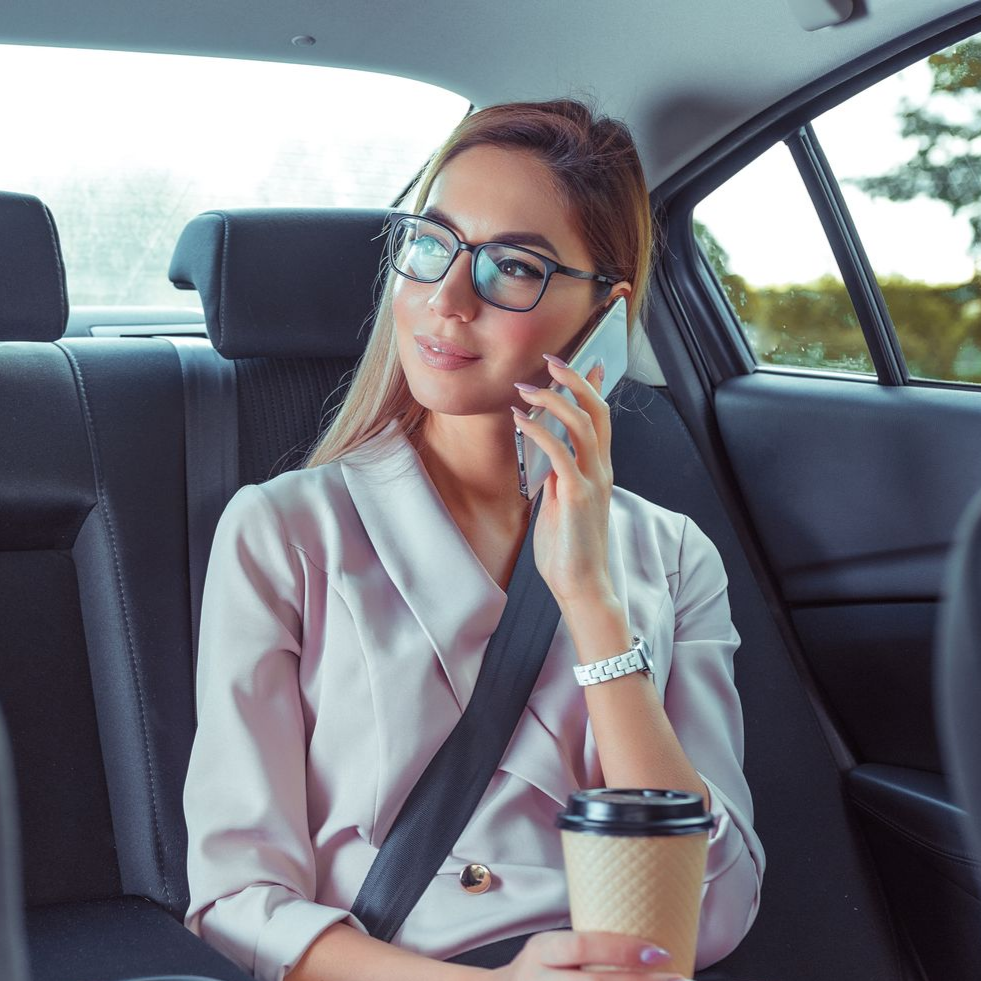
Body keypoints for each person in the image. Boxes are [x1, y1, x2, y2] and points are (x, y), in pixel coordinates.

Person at [183, 99, 765, 981]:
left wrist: (592, 605)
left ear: (604, 314)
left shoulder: (673, 556)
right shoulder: (285, 531)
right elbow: (238, 901)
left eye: (514, 267)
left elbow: (709, 907)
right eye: (431, 244)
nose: (447, 300)